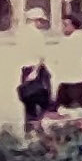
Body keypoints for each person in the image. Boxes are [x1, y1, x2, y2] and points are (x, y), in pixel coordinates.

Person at [15, 7, 57, 140]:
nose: (41, 23)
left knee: (29, 101)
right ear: (36, 20)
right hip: (36, 70)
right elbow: (41, 56)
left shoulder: (21, 34)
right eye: (40, 21)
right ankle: (40, 129)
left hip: (25, 70)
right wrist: (36, 71)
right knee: (43, 100)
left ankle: (29, 130)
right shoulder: (37, 35)